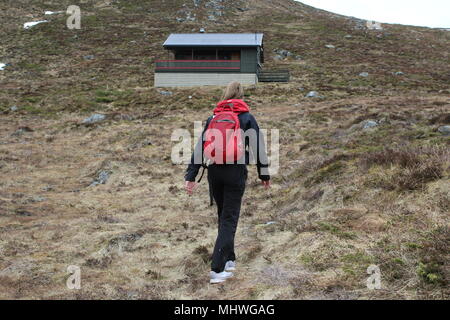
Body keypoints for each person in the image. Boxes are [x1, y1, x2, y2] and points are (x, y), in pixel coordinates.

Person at [184, 81, 270, 284]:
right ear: (241, 96)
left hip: (214, 171)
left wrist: (191, 175)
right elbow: (258, 147)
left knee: (224, 216)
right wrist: (264, 174)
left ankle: (229, 259)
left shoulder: (212, 117)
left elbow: (200, 147)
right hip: (235, 171)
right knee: (229, 219)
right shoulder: (247, 118)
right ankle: (217, 268)